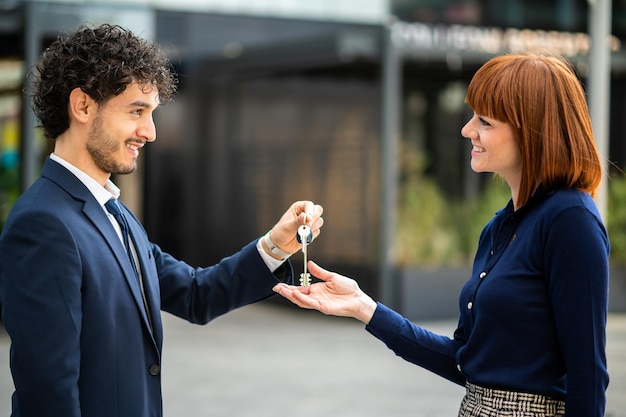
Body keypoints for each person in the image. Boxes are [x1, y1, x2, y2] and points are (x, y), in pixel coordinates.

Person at [0, 23, 323, 417]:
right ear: (82, 105)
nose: (150, 132)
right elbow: (48, 398)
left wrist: (275, 245)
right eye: (137, 111)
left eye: (151, 113)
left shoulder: (115, 214)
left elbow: (194, 294)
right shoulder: (43, 225)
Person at [274, 51, 609, 417]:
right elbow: (466, 364)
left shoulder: (570, 220)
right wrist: (363, 307)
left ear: (530, 130)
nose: (467, 130)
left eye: (485, 121)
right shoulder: (499, 227)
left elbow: (587, 378)